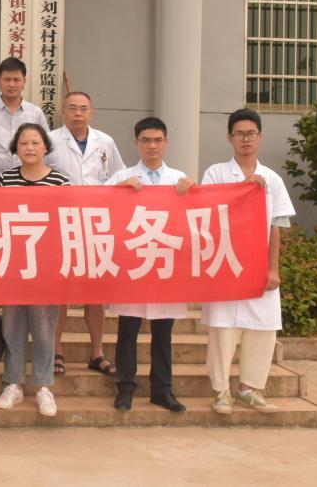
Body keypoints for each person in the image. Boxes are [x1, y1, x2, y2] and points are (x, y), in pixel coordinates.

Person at [201, 108, 295, 415]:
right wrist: (242, 191)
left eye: (251, 133)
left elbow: (277, 225)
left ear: (260, 137)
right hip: (225, 264)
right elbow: (208, 213)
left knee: (262, 330)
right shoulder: (216, 173)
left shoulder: (272, 179)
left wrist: (273, 268)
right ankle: (221, 391)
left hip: (258, 268)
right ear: (230, 138)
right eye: (239, 134)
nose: (245, 139)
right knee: (223, 330)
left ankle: (249, 389)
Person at [106, 117, 194, 413]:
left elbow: (195, 216)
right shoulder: (122, 176)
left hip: (166, 264)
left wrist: (193, 191)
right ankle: (125, 388)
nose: (152, 146)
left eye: (157, 140)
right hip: (133, 264)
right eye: (146, 140)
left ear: (166, 142)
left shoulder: (179, 178)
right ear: (137, 143)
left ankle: (162, 390)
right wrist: (118, 190)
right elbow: (99, 208)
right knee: (127, 331)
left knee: (163, 333)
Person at [46, 91, 125, 378]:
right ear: (63, 112)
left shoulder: (106, 142)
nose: (78, 114)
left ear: (91, 112)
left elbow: (118, 178)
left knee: (95, 293)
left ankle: (97, 353)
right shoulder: (50, 140)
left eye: (83, 109)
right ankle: (56, 350)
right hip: (61, 224)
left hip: (96, 226)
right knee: (60, 292)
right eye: (72, 108)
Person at [0, 123, 67, 417]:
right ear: (16, 148)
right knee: (12, 326)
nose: (30, 148)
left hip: (46, 267)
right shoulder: (6, 179)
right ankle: (13, 383)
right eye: (24, 143)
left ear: (45, 147)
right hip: (12, 263)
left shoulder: (60, 181)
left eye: (36, 142)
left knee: (44, 327)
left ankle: (44, 386)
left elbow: (66, 223)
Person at [0, 57, 49, 188]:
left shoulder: (35, 112)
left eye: (16, 80)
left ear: (24, 82)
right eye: (7, 79)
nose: (12, 84)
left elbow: (45, 145)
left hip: (28, 182)